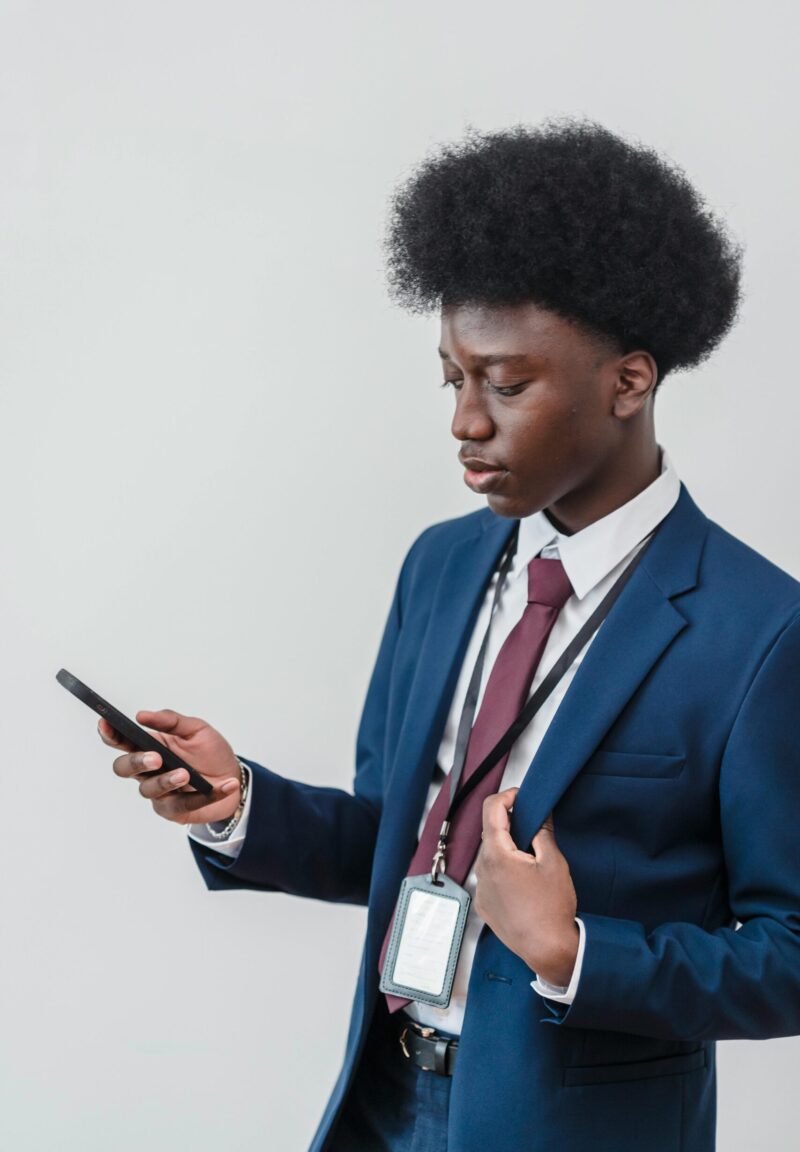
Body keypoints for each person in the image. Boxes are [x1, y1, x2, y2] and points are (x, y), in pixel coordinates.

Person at [98, 117, 800, 1152]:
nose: (465, 421)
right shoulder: (439, 565)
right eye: (452, 378)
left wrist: (570, 951)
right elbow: (395, 835)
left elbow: (786, 956)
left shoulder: (760, 630)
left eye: (505, 384)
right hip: (383, 1104)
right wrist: (238, 804)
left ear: (629, 381)